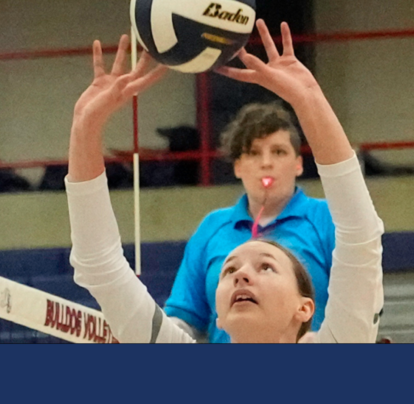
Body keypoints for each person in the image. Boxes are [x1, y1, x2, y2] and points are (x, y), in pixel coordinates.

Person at [65, 21, 383, 343]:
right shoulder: (212, 229)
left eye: (266, 267)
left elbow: (361, 234)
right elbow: (98, 264)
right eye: (228, 271)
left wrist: (309, 99)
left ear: (305, 308)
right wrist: (84, 128)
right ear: (216, 310)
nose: (241, 274)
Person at [165, 101, 337, 343]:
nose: (266, 163)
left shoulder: (327, 218)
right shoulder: (211, 228)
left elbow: (362, 304)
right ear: (237, 167)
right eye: (254, 153)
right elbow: (184, 318)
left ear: (298, 164)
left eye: (278, 151)